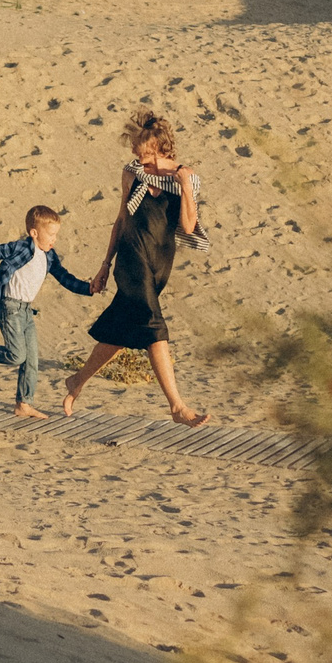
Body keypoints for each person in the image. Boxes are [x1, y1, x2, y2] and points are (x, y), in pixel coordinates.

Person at [63, 107, 208, 426]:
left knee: (120, 334)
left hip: (159, 265)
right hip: (131, 261)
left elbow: (187, 225)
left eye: (139, 148)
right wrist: (105, 264)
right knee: (155, 328)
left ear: (156, 147)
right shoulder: (132, 173)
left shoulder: (186, 176)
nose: (133, 152)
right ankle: (177, 407)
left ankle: (77, 382)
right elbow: (121, 220)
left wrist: (185, 188)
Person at [0, 205, 94, 419]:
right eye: (51, 234)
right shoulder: (22, 248)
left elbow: (64, 277)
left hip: (27, 311)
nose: (54, 239)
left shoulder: (49, 256)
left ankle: (23, 404)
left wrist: (88, 288)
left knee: (31, 361)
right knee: (16, 356)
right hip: (10, 307)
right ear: (34, 233)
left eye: (56, 234)